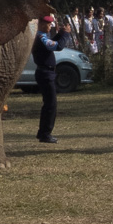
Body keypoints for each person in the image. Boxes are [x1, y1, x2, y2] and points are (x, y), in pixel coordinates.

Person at [33, 14, 74, 144]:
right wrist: (66, 34)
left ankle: (44, 133)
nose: (50, 26)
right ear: (40, 24)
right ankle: (45, 134)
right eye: (48, 24)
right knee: (51, 105)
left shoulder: (42, 37)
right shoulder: (40, 37)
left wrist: (61, 34)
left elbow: (53, 44)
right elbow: (57, 46)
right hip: (45, 73)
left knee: (49, 104)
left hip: (47, 72)